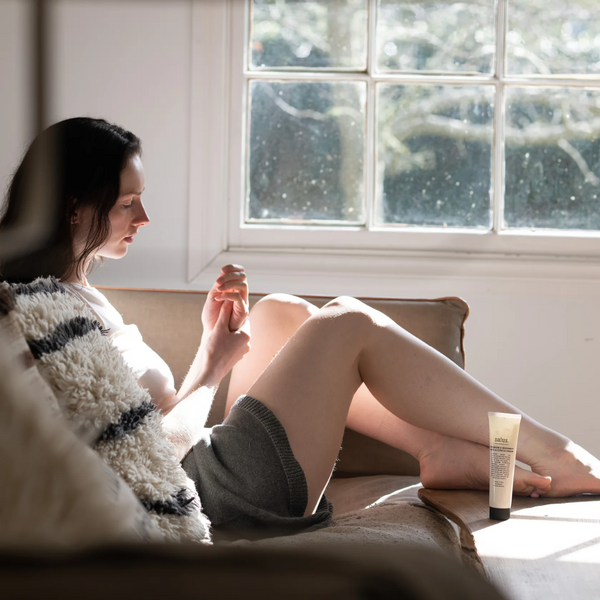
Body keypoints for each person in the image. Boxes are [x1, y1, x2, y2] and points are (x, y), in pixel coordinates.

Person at [2, 117, 600, 539]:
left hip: (191, 464)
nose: (145, 217)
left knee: (280, 311)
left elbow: (145, 428)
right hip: (201, 498)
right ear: (74, 205)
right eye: (127, 203)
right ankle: (551, 448)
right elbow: (145, 460)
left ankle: (436, 448)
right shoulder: (37, 319)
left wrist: (213, 348)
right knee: (348, 324)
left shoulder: (73, 294)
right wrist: (212, 365)